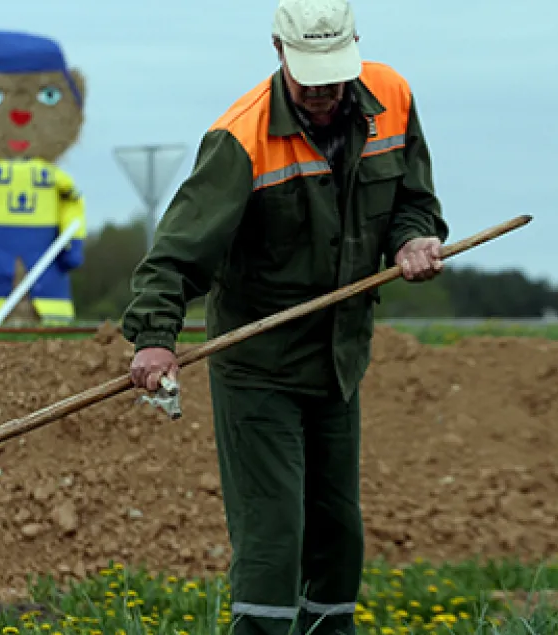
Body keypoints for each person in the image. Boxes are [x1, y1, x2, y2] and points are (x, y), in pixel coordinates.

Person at [120, 0, 448, 633]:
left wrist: (411, 240)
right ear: (278, 51)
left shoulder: (393, 97)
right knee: (274, 535)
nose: (324, 91)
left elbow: (414, 199)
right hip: (260, 369)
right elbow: (175, 256)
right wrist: (156, 340)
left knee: (337, 533)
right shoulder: (239, 140)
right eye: (309, 76)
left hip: (340, 360)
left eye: (334, 73)